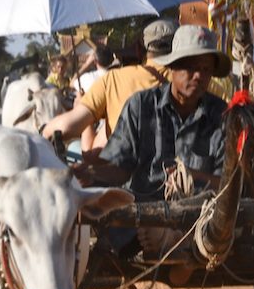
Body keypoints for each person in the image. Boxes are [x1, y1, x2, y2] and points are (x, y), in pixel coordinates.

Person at [75, 25, 230, 272]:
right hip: (139, 220)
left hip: (199, 219)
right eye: (190, 68)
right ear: (171, 68)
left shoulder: (222, 115)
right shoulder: (140, 106)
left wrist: (193, 177)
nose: (199, 76)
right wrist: (92, 173)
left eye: (205, 69)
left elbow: (227, 183)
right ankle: (168, 248)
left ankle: (179, 248)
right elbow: (120, 166)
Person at [41, 17, 178, 148]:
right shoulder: (191, 80)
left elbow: (69, 129)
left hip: (126, 168)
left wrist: (45, 130)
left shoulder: (114, 80)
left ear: (139, 45)